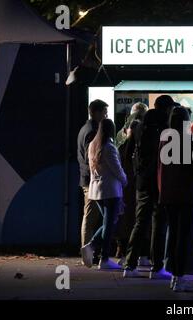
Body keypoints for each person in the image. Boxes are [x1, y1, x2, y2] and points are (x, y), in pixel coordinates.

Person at [123, 95, 175, 279]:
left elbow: (127, 154)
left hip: (142, 183)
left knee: (140, 223)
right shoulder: (165, 130)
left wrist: (138, 173)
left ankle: (129, 265)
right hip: (159, 183)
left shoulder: (139, 128)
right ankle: (157, 267)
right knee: (158, 225)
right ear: (167, 109)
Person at [158, 107, 193, 292]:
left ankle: (174, 275)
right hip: (185, 194)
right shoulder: (188, 141)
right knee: (184, 236)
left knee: (174, 234)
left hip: (167, 194)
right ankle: (179, 276)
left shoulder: (165, 138)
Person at [81, 119, 127, 269]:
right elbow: (117, 169)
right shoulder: (109, 147)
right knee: (109, 224)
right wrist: (125, 180)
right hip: (111, 190)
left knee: (108, 223)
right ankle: (104, 258)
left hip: (97, 191)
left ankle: (93, 247)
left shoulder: (93, 146)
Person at [77, 99, 108, 265]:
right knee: (90, 218)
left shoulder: (85, 128)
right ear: (95, 112)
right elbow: (93, 158)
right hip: (91, 181)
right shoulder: (92, 131)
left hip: (87, 179)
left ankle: (88, 250)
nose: (106, 115)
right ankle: (86, 253)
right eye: (104, 112)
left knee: (92, 217)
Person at [115, 120, 141, 264]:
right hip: (134, 187)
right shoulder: (139, 147)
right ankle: (134, 254)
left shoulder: (121, 148)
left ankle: (123, 251)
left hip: (125, 188)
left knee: (125, 221)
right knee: (135, 222)